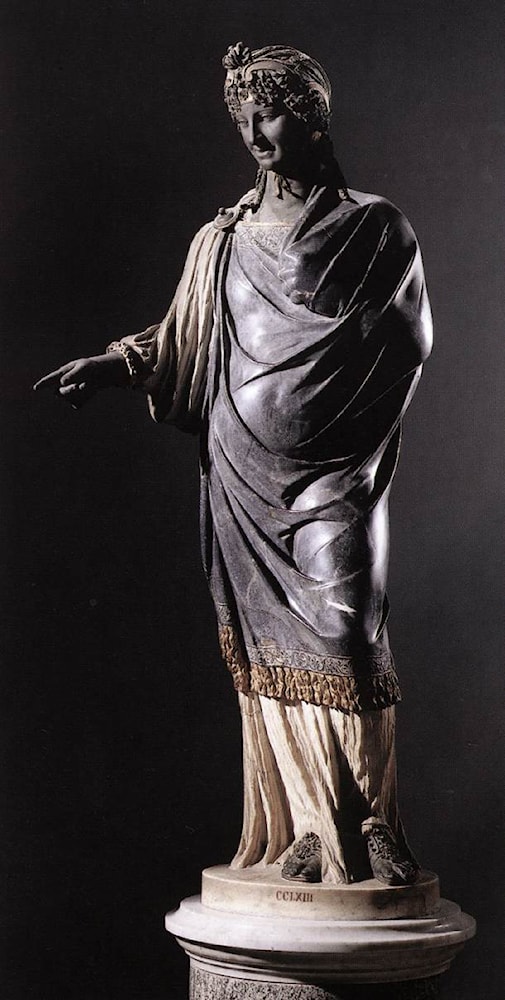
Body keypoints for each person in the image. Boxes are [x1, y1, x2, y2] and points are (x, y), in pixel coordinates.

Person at [34, 42, 433, 886]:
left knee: (345, 632)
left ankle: (373, 823)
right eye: (242, 117)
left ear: (313, 116)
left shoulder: (372, 227)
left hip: (331, 473)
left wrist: (330, 414)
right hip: (240, 471)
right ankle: (311, 825)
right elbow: (183, 335)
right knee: (268, 648)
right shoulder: (222, 238)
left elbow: (406, 343)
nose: (255, 132)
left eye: (272, 112)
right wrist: (114, 364)